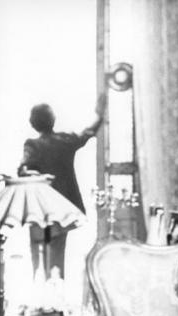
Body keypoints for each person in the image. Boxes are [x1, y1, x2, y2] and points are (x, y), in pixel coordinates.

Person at [18, 94, 107, 279]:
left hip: (39, 208)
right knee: (57, 258)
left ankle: (40, 289)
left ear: (33, 123)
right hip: (62, 209)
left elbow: (23, 169)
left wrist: (32, 174)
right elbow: (87, 133)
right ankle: (56, 290)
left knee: (38, 256)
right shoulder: (64, 140)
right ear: (53, 120)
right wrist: (99, 115)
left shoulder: (32, 145)